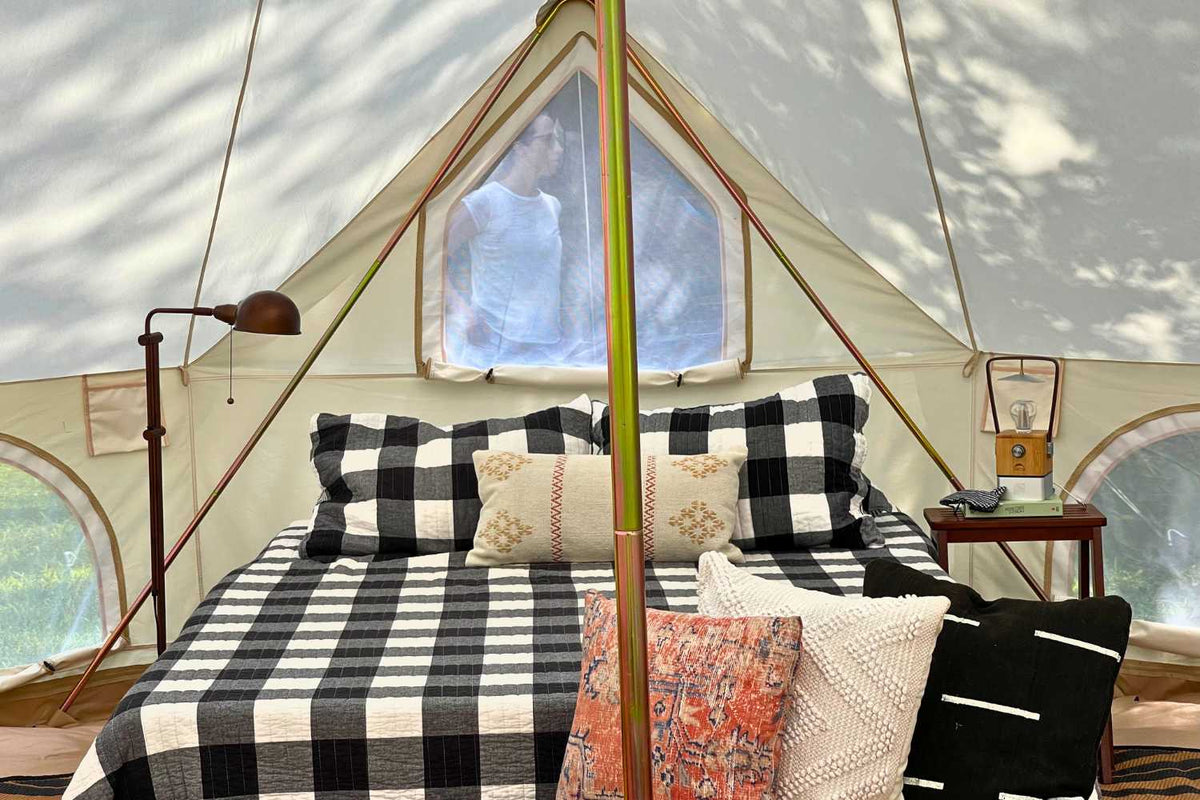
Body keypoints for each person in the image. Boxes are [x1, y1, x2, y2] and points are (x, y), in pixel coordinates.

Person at [446, 113, 566, 367]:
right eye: (547, 140)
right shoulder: (485, 202)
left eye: (558, 140)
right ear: (520, 147)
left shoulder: (552, 206)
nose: (558, 149)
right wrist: (461, 312)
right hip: (493, 354)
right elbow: (430, 256)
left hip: (547, 353)